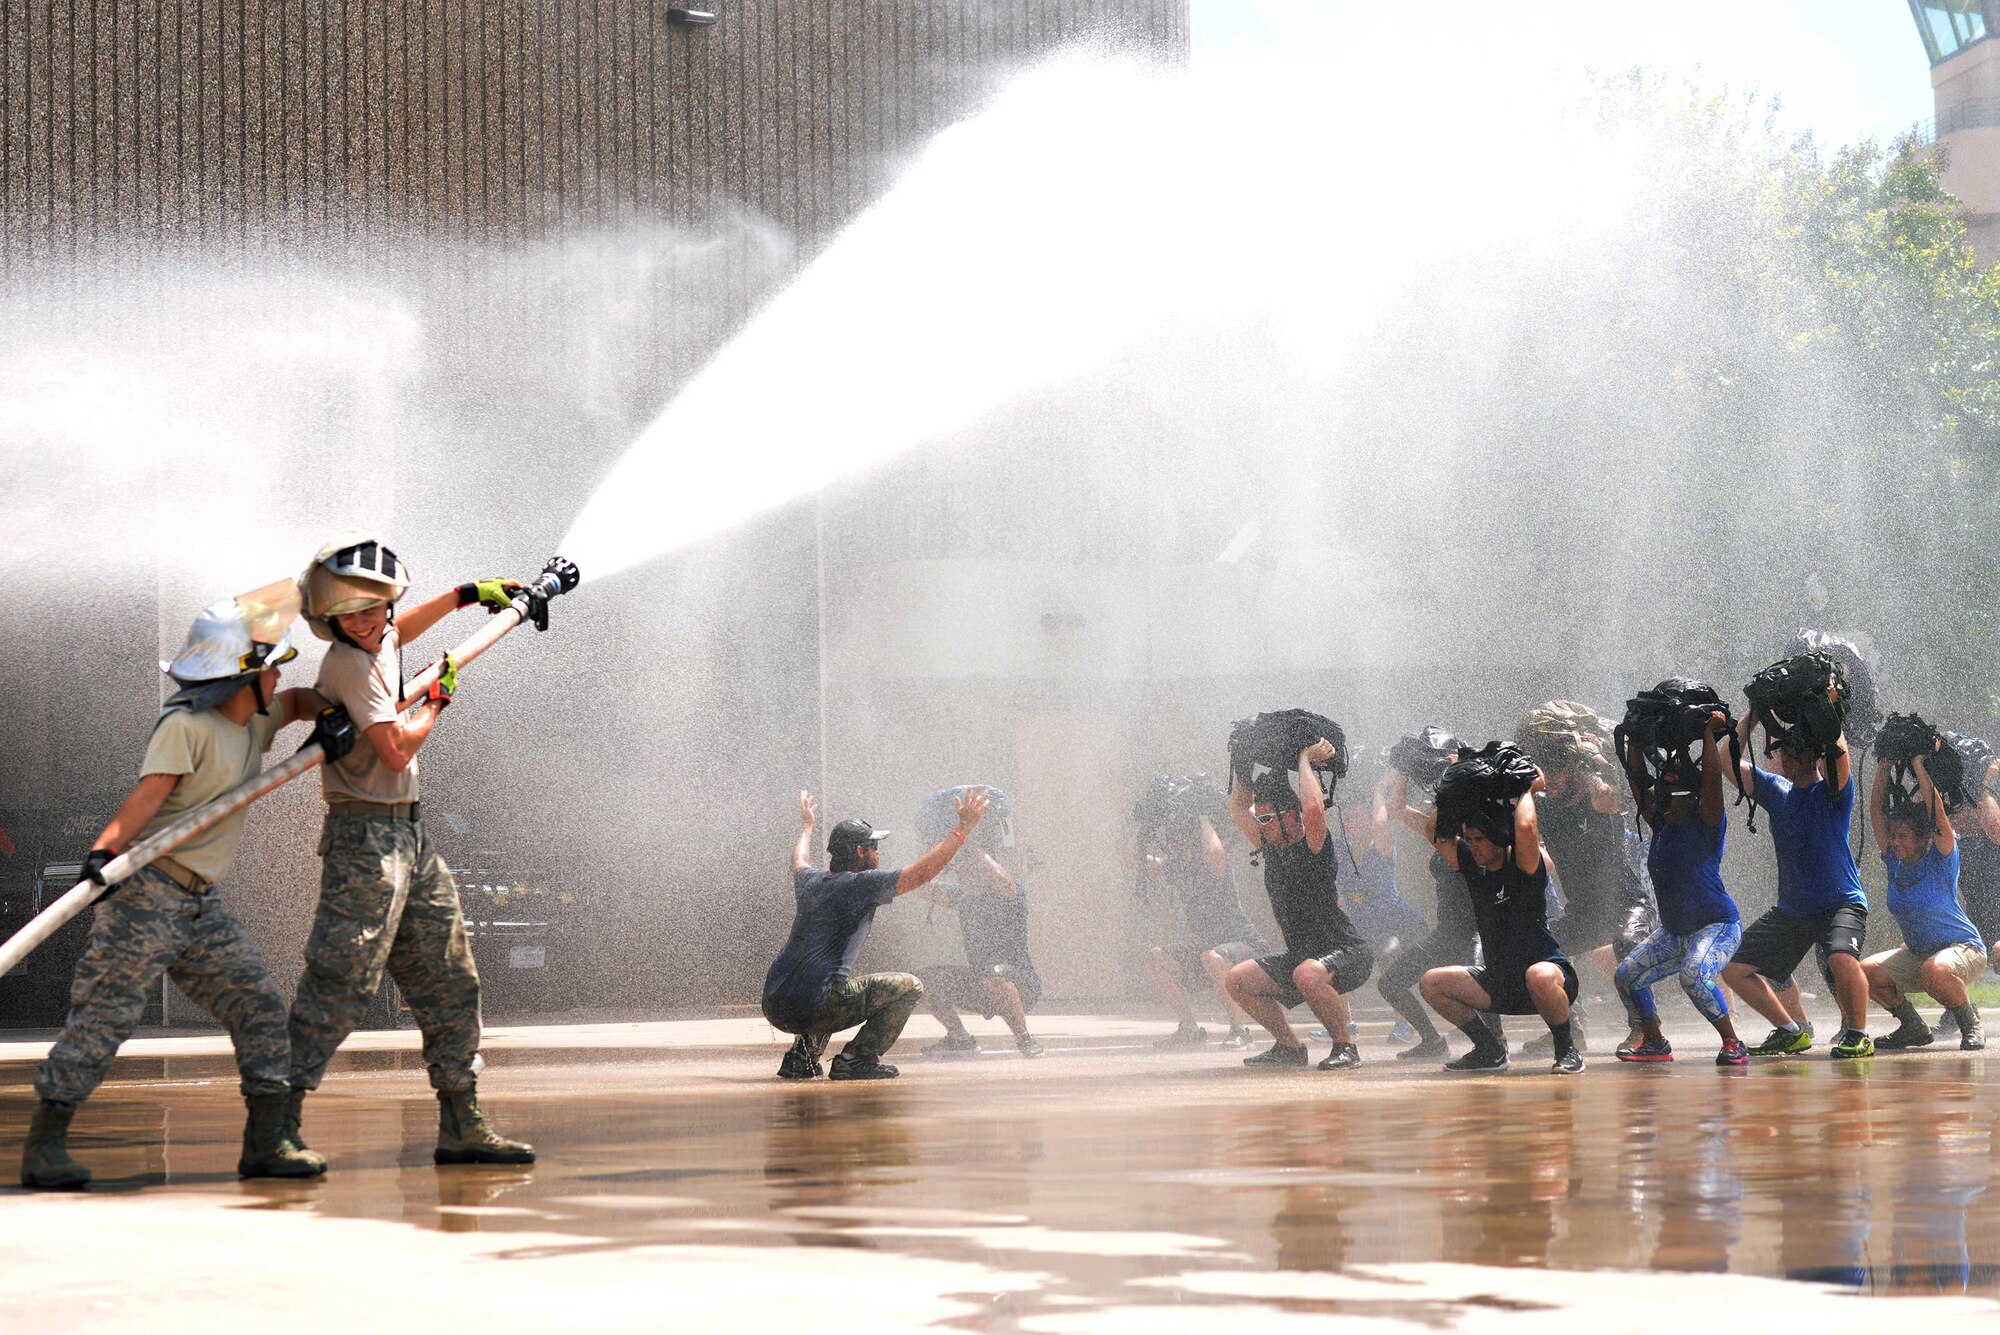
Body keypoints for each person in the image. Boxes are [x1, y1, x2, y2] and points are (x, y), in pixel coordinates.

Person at [21, 582, 343, 1188]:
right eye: (270, 671)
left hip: (201, 904)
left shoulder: (256, 718)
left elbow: (300, 701)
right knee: (105, 1017)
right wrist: (104, 851)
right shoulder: (186, 726)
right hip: (147, 895)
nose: (278, 681)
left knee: (260, 1006)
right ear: (241, 677)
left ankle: (267, 1141)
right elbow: (147, 798)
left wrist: (331, 718)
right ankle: (46, 1145)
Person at [284, 531, 536, 1165]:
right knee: (340, 983)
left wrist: (463, 595)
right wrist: (438, 702)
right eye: (354, 612)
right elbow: (396, 748)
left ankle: (462, 1122)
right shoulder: (348, 664)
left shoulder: (376, 638)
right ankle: (274, 1125)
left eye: (378, 606)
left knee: (452, 977)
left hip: (408, 834)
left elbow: (403, 631)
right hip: (363, 838)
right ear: (330, 620)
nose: (372, 621)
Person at [763, 788, 989, 1079]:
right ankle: (857, 1058)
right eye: (875, 847)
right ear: (860, 852)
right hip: (812, 1007)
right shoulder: (861, 885)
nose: (878, 853)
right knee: (909, 986)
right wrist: (963, 830)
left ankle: (800, 1059)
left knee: (826, 985)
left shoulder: (811, 882)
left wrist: (807, 826)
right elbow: (921, 874)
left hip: (774, 1001)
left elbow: (798, 860)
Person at [1721, 667, 1872, 1060]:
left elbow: (1839, 751)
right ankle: (1791, 1030)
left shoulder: (1835, 792)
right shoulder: (1775, 791)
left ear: (1812, 753)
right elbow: (1726, 758)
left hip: (1841, 902)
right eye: (1781, 749)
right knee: (1733, 967)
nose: (1784, 755)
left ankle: (1858, 1033)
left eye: (1793, 749)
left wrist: (1826, 704)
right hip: (1794, 909)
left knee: (1840, 957)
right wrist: (1754, 713)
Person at [1418, 744, 1584, 1075]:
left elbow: (1524, 829)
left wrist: (1526, 789)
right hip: (1501, 984)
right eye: (1470, 838)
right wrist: (1455, 790)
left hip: (1549, 977)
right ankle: (1489, 1050)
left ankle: (1567, 1050)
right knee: (1432, 982)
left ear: (1499, 838)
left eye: (1480, 839)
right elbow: (1434, 833)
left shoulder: (1523, 868)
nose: (1472, 846)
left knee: (1537, 973)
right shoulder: (1473, 868)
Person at [1222, 718, 1373, 1071]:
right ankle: (1289, 1047)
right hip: (1302, 957)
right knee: (1237, 979)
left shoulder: (1313, 842)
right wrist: (1243, 759)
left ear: (1290, 817)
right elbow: (1236, 807)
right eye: (1259, 820)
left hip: (1348, 953)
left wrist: (1303, 757)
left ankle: (1346, 1046)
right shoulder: (1268, 845)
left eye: (1266, 819)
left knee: (1307, 974)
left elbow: (1314, 808)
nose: (1260, 826)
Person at [1612, 691, 1747, 1065]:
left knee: (1694, 976)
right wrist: (1634, 741)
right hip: (1674, 932)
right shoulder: (1662, 824)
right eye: (1663, 797)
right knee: (1627, 975)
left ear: (1690, 799)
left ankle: (1733, 1043)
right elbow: (1638, 780)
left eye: (1672, 798)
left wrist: (1707, 734)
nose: (1663, 802)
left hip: (1716, 926)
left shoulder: (1706, 824)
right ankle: (1655, 1042)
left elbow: (1710, 781)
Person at [1520, 701, 1655, 1055]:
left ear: (1573, 765)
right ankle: (1568, 1029)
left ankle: (1644, 1028)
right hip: (1584, 911)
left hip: (1626, 903)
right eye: (1545, 768)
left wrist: (1596, 776)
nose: (1552, 777)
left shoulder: (1598, 792)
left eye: (1558, 768)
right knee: (1537, 954)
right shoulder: (1543, 804)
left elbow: (1609, 795)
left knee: (1627, 943)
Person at [1863, 741, 1987, 1050]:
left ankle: (1969, 1023)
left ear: (1922, 838)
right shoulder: (1894, 861)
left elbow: (1937, 813)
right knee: (1861, 972)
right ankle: (1912, 1027)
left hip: (1964, 949)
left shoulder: (1942, 858)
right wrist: (1884, 766)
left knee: (1936, 970)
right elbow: (1877, 812)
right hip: (1921, 955)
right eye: (1892, 836)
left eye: (1902, 836)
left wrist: (1919, 764)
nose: (1895, 842)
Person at [1130, 775, 1266, 1050]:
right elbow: (1133, 861)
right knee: (1158, 957)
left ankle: (1240, 1029)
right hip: (1209, 953)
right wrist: (1144, 824)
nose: (1173, 842)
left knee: (1211, 956)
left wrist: (1202, 816)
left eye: (1179, 837)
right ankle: (1189, 1028)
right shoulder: (1177, 867)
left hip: (1246, 949)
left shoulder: (1215, 862)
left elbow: (1214, 853)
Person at [917, 785, 1046, 1058]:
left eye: (966, 866)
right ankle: (959, 1037)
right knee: (924, 980)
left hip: (1021, 983)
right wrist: (936, 850)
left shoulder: (1009, 890)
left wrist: (966, 835)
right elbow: (924, 886)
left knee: (994, 976)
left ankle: (1025, 1039)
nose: (961, 871)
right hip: (982, 983)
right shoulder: (963, 896)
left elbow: (999, 876)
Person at [1378, 758, 1481, 1062]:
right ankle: (1432, 1040)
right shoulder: (1441, 834)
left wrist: (1459, 772)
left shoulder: (1479, 836)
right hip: (1446, 934)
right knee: (1390, 983)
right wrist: (1405, 769)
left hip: (1477, 934)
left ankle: (1493, 1041)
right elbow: (1398, 808)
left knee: (1477, 985)